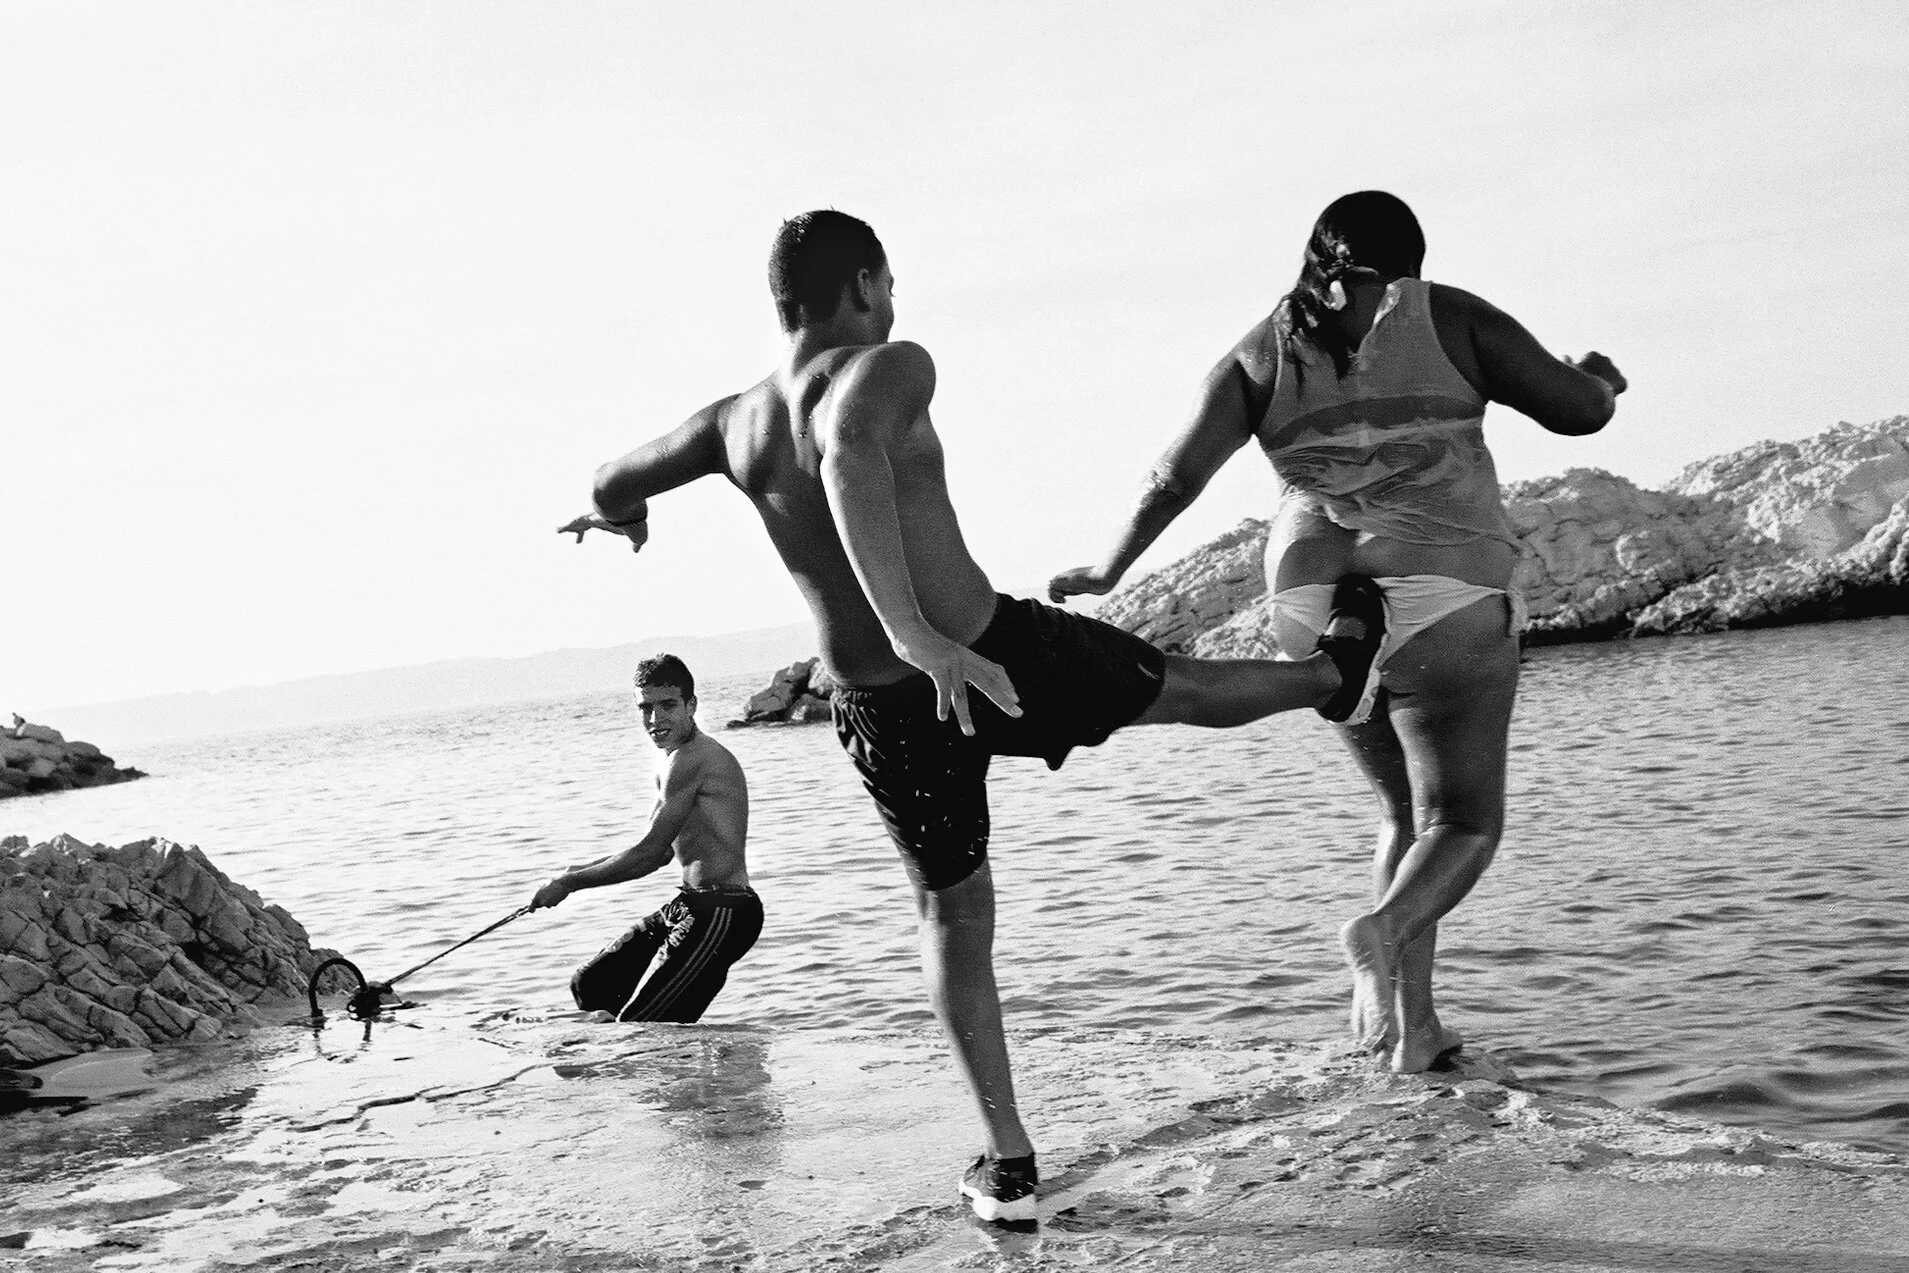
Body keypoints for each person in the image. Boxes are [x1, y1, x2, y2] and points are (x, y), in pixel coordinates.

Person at [558, 210, 1384, 1224]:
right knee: (1177, 687)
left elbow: (611, 476)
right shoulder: (889, 365)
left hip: (878, 706)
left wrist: (625, 514)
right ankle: (1331, 678)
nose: (894, 302)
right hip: (985, 651)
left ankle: (1008, 1161)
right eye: (888, 285)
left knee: (953, 914)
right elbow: (851, 452)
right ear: (862, 286)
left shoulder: (735, 424)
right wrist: (918, 632)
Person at [1050, 190, 1626, 1074]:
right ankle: (1381, 928)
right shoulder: (1448, 315)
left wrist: (1109, 567)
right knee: (1462, 821)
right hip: (1442, 590)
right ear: (1410, 264)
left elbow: (1172, 475)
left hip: (1312, 605)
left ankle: (1410, 1028)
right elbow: (1577, 410)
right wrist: (1596, 373)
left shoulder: (1260, 348)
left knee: (1402, 812)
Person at [529, 654, 761, 1024]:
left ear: (692, 706)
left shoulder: (694, 759)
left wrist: (572, 883)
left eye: (667, 705)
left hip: (724, 911)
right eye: (645, 708)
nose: (655, 719)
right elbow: (661, 851)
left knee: (643, 1027)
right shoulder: (671, 762)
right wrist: (573, 871)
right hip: (690, 905)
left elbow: (650, 856)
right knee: (591, 985)